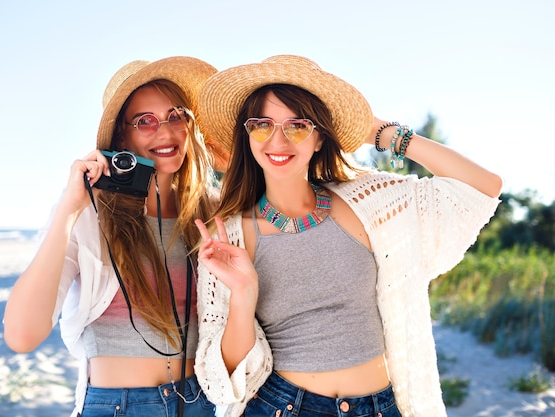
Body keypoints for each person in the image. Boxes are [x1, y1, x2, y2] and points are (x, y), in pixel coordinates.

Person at [192, 55, 503, 417]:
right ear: (248, 136)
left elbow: (483, 188)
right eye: (262, 125)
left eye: (297, 126)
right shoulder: (228, 235)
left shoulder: (370, 202)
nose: (277, 140)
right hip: (283, 407)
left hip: (381, 407)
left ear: (320, 136)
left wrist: (380, 132)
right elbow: (222, 378)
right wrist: (243, 294)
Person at [3, 56, 224, 417]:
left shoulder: (211, 213)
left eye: (176, 116)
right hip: (119, 406)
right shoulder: (90, 215)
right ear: (122, 136)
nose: (165, 132)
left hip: (202, 402)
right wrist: (69, 209)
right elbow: (21, 335)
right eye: (145, 121)